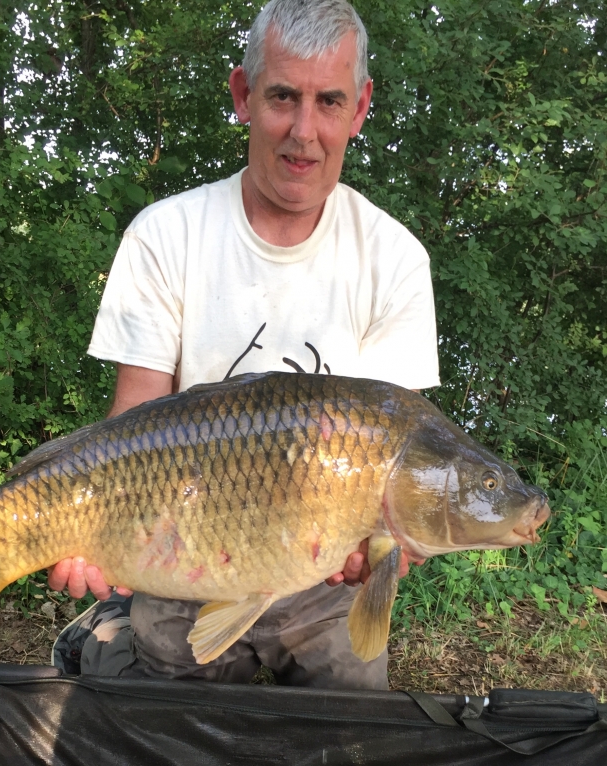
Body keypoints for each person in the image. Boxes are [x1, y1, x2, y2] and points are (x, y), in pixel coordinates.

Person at [48, 0, 440, 690]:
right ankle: (105, 630)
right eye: (283, 96)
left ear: (361, 108)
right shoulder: (165, 236)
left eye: (329, 102)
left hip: (322, 581)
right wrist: (85, 532)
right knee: (161, 721)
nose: (304, 131)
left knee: (352, 720)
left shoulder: (394, 259)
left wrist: (384, 549)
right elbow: (130, 427)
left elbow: (397, 455)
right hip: (183, 550)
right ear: (243, 95)